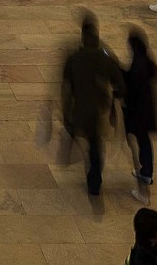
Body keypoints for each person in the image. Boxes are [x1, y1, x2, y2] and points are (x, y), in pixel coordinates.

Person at [58, 12, 123, 199]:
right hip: (98, 110)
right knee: (95, 145)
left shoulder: (73, 58)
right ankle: (94, 181)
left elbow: (66, 89)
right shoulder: (106, 58)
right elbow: (120, 84)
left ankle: (73, 153)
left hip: (80, 109)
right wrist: (113, 104)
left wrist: (65, 113)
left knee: (85, 139)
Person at [122, 27, 157, 194]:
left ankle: (145, 175)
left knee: (141, 140)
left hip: (139, 110)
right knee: (143, 140)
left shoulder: (138, 64)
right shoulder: (147, 60)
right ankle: (147, 171)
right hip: (148, 108)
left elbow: (131, 84)